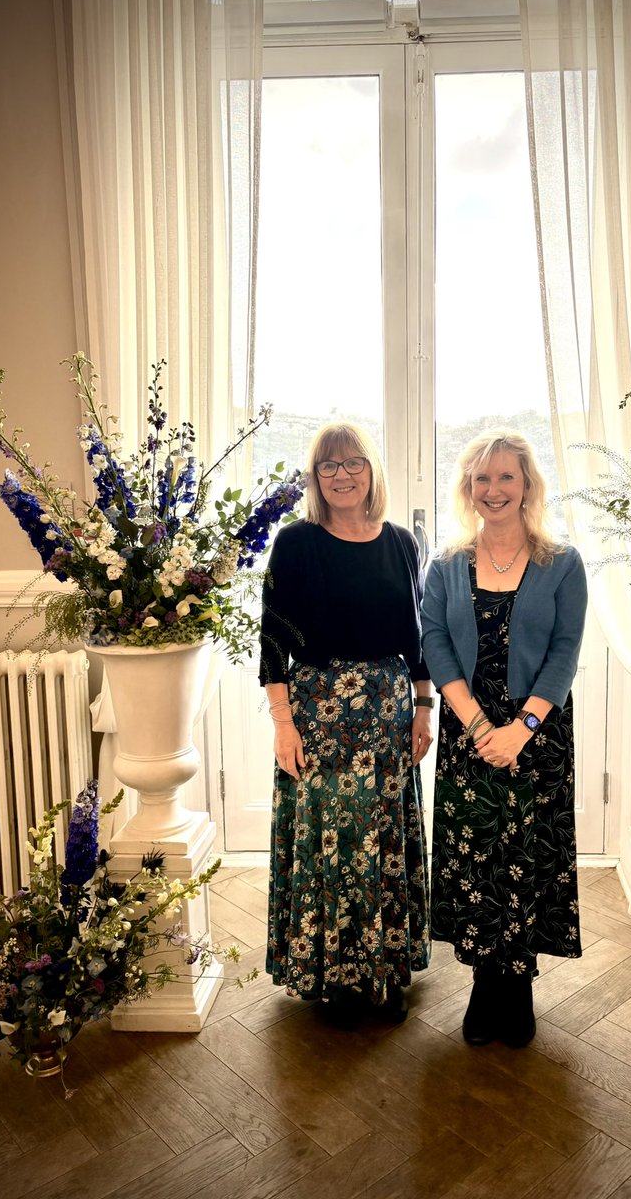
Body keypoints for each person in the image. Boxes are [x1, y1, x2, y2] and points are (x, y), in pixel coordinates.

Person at [259, 422, 433, 1027]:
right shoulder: (295, 542)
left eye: (352, 463)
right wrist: (284, 726)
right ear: (315, 477)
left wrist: (424, 706)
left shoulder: (403, 544)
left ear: (371, 470)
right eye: (328, 466)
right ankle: (328, 971)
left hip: (387, 712)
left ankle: (385, 970)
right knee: (327, 840)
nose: (341, 475)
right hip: (319, 713)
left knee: (381, 837)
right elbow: (273, 644)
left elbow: (417, 639)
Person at [420, 429, 587, 1048]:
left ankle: (515, 991)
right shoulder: (445, 566)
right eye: (481, 479)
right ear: (469, 489)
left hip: (537, 736)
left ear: (526, 486)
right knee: (476, 860)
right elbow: (434, 642)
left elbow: (565, 653)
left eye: (506, 478)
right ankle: (483, 984)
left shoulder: (562, 563)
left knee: (525, 860)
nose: (493, 490)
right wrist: (479, 725)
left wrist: (522, 730)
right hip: (470, 734)